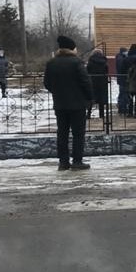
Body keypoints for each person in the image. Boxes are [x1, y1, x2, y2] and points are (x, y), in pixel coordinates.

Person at [43, 36, 93, 171]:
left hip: (60, 104)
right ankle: (77, 161)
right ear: (72, 48)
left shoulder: (51, 63)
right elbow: (86, 82)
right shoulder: (77, 62)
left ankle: (63, 162)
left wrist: (57, 93)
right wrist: (89, 98)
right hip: (77, 104)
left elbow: (47, 83)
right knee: (78, 134)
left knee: (62, 133)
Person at [86, 48, 109, 119]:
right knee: (101, 98)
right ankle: (101, 114)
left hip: (92, 81)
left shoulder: (90, 60)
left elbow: (87, 70)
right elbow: (106, 70)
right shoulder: (104, 61)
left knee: (91, 98)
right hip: (102, 81)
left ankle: (88, 114)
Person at [115, 47, 130, 115]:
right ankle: (122, 108)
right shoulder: (121, 58)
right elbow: (122, 68)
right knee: (123, 93)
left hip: (121, 78)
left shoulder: (119, 57)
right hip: (123, 79)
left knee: (122, 93)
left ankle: (122, 107)